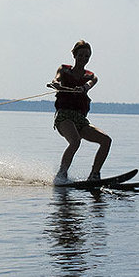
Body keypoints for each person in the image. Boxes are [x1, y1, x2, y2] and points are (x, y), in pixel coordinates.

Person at [48, 40, 112, 185]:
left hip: (80, 120)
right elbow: (56, 78)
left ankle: (94, 175)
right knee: (75, 141)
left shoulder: (91, 76)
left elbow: (89, 84)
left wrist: (83, 88)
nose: (84, 58)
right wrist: (56, 83)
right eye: (81, 55)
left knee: (106, 141)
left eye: (87, 56)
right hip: (64, 117)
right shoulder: (64, 70)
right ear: (75, 55)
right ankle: (61, 175)